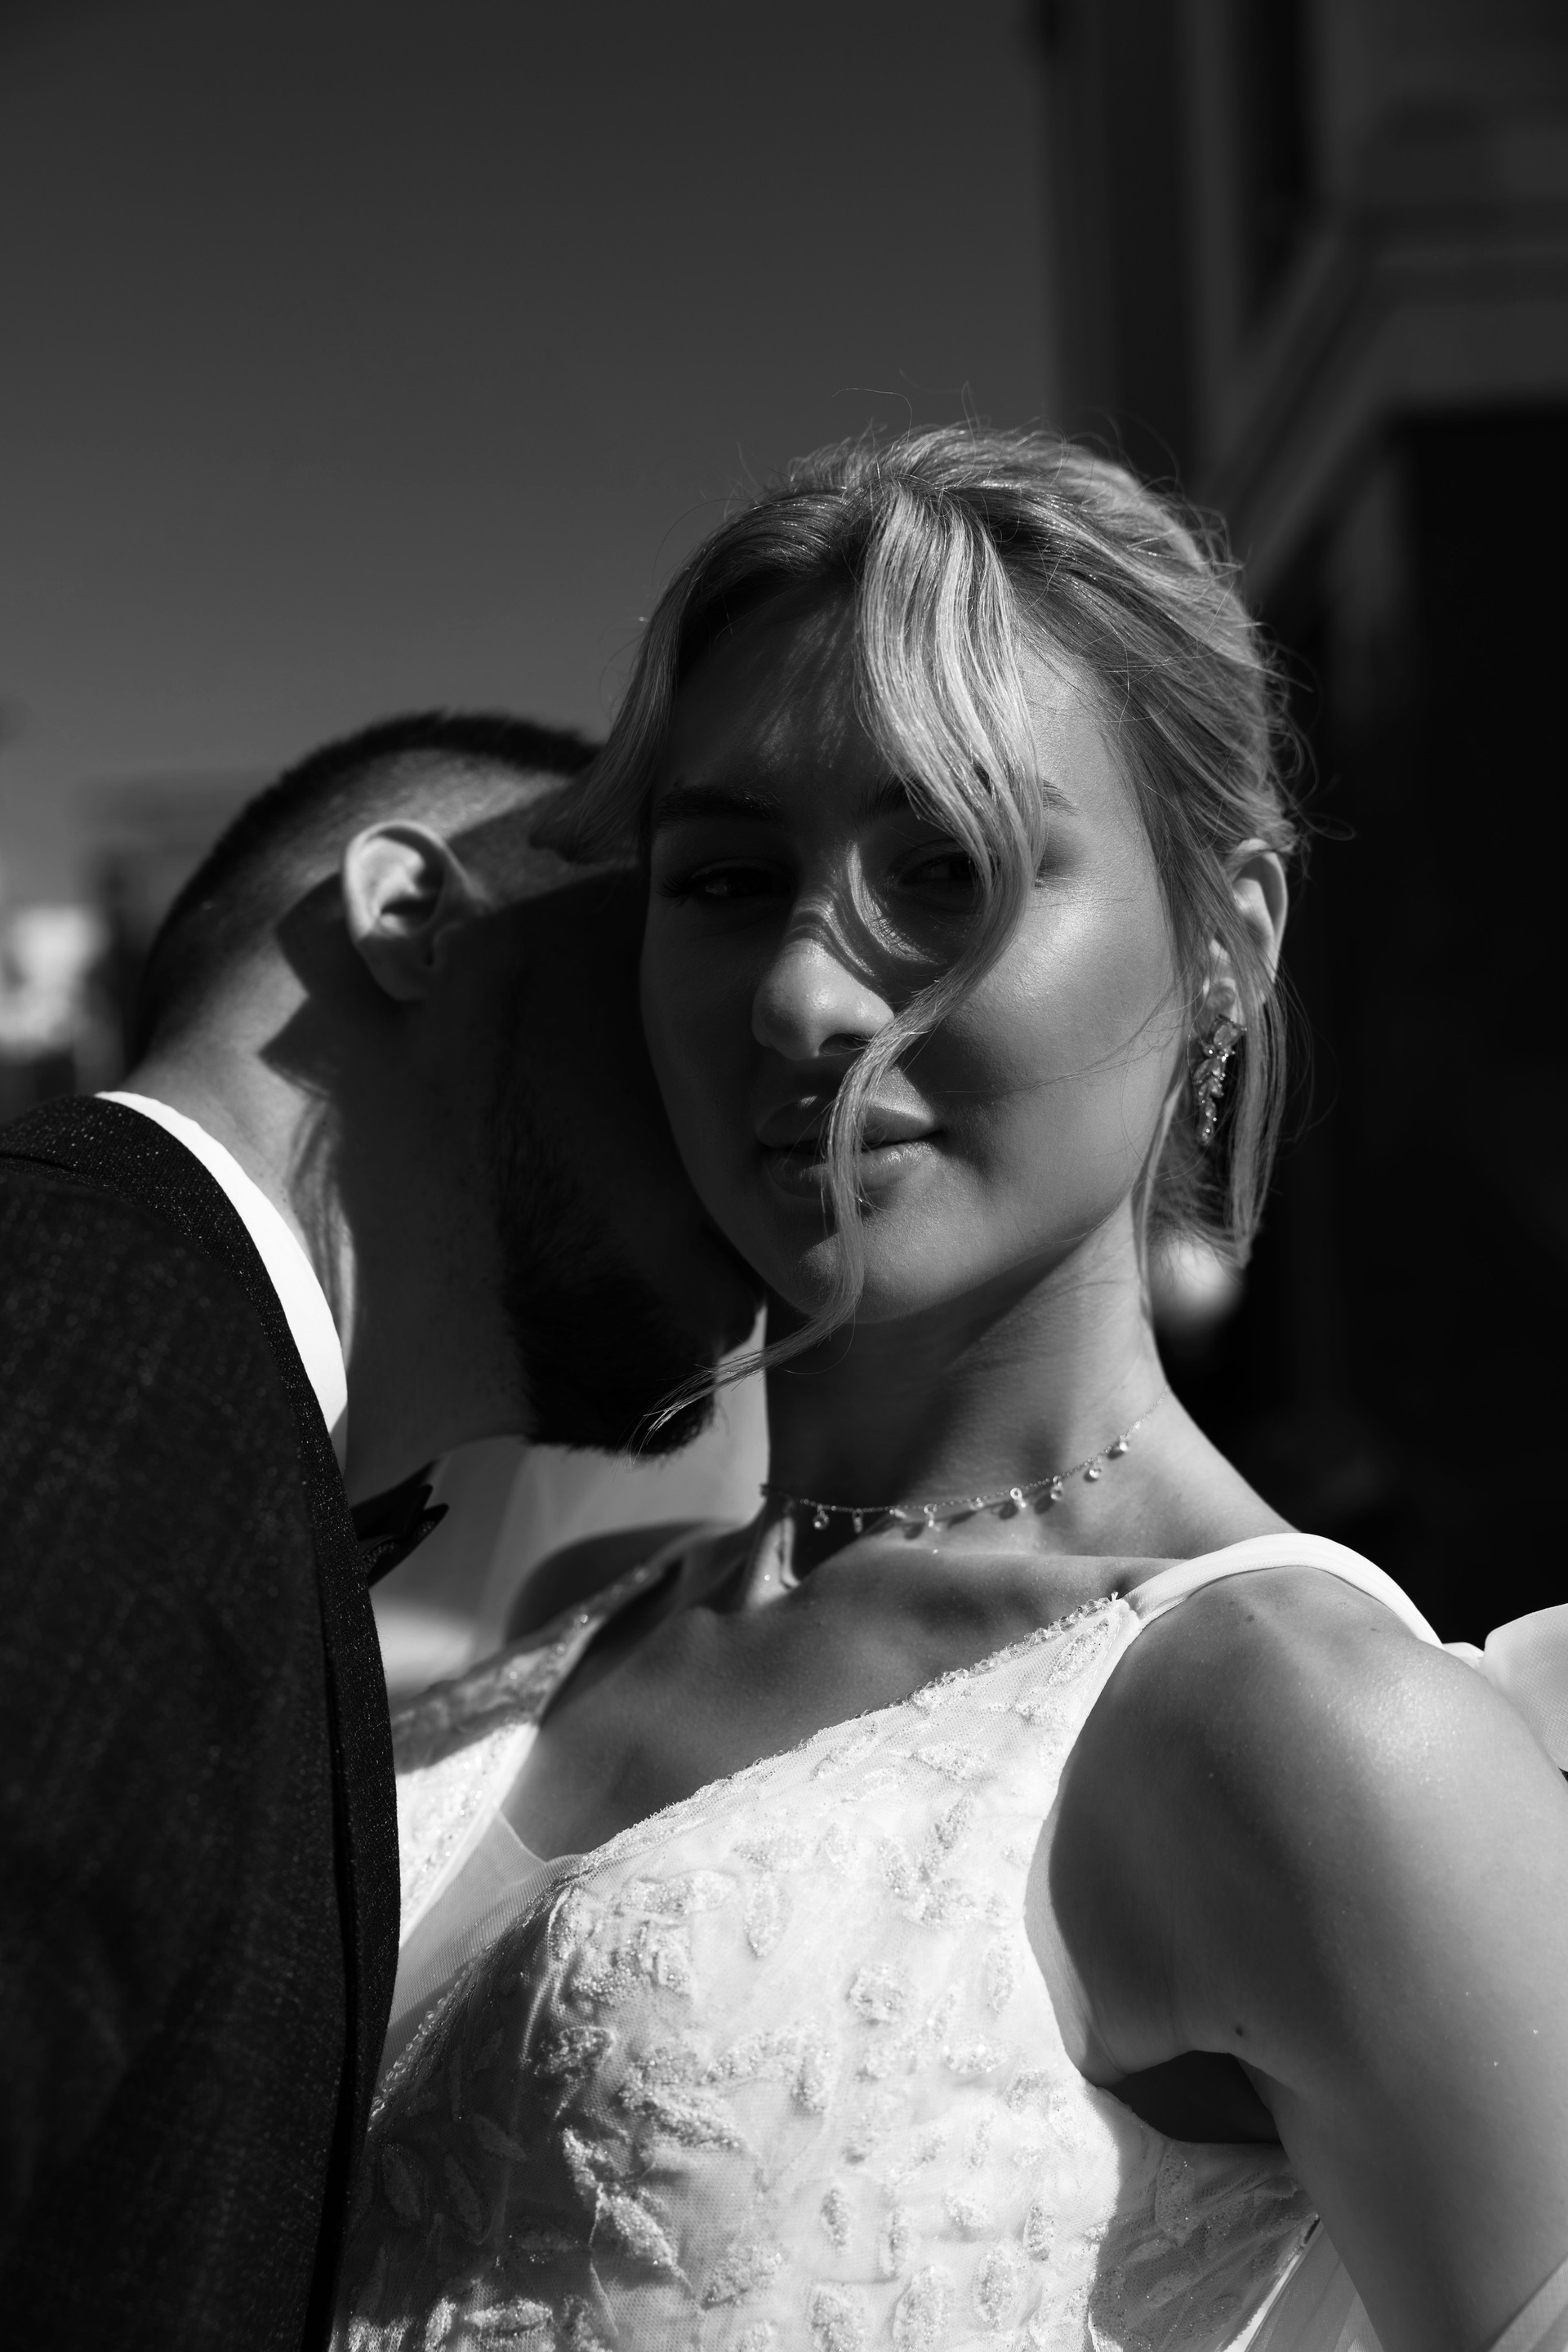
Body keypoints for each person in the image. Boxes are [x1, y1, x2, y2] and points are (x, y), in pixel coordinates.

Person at [332, 439, 1568, 2352]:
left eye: (949, 869)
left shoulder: (1302, 1725)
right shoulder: (573, 1615)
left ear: (1228, 941)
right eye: (728, 878)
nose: (804, 998)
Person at [0, 710, 758, 2350]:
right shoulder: (92, 1327)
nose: (768, 1047)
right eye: (683, 919)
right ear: (414, 913)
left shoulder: (200, 1401)